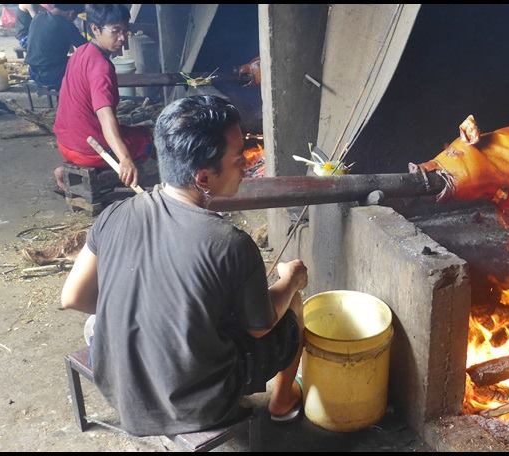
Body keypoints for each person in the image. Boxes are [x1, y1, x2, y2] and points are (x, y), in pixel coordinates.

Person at [60, 95, 308, 436]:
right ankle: (282, 401)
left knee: (97, 322)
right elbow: (260, 329)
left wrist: (137, 309)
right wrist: (292, 278)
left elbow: (72, 297)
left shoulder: (113, 214)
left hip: (119, 388)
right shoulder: (230, 242)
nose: (247, 165)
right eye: (239, 159)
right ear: (203, 178)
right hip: (198, 406)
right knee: (291, 305)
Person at [51, 4, 152, 193]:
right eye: (115, 31)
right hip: (88, 149)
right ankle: (114, 175)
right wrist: (125, 159)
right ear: (95, 29)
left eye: (125, 30)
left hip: (65, 142)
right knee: (146, 138)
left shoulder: (81, 52)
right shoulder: (101, 68)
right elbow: (106, 117)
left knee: (128, 131)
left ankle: (65, 169)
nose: (122, 38)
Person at [24, 4, 85, 89]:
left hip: (33, 71)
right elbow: (86, 47)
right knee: (86, 67)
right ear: (71, 13)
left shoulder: (38, 17)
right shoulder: (65, 25)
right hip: (52, 76)